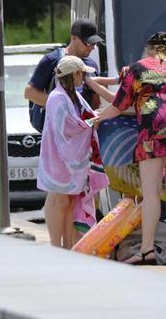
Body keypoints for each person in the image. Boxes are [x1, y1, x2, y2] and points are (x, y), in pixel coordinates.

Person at [94, 31, 166, 265]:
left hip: (153, 128)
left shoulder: (137, 69)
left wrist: (97, 119)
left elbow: (118, 106)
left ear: (148, 50)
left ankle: (147, 250)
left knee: (151, 193)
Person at [37, 55, 97, 249]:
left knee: (70, 201)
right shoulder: (57, 98)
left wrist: (92, 120)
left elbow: (82, 119)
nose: (83, 78)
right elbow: (68, 127)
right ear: (75, 74)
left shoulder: (74, 96)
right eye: (82, 74)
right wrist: (91, 122)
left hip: (71, 160)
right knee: (59, 200)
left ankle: (67, 245)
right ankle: (56, 245)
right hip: (57, 159)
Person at [24, 20, 111, 133]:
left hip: (82, 132)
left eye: (94, 43)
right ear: (73, 38)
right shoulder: (52, 60)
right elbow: (29, 93)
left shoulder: (91, 65)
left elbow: (95, 102)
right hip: (57, 133)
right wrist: (64, 106)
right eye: (88, 43)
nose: (92, 48)